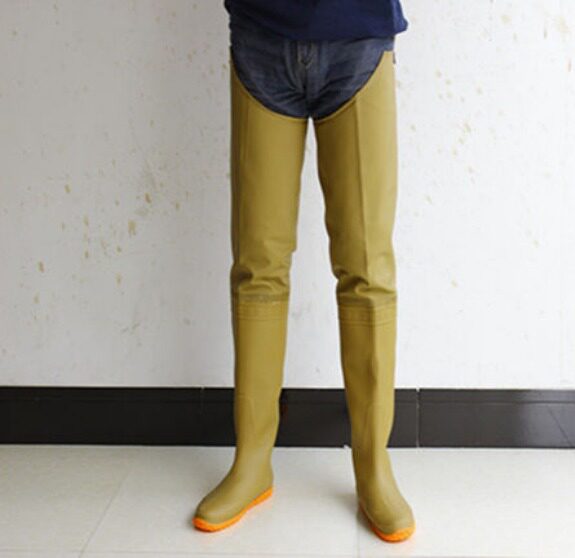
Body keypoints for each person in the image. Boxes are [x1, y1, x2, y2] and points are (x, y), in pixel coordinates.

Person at [192, 0, 415, 543]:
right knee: (257, 266)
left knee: (366, 268)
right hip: (260, 35)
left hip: (359, 37)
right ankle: (252, 463)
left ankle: (373, 468)